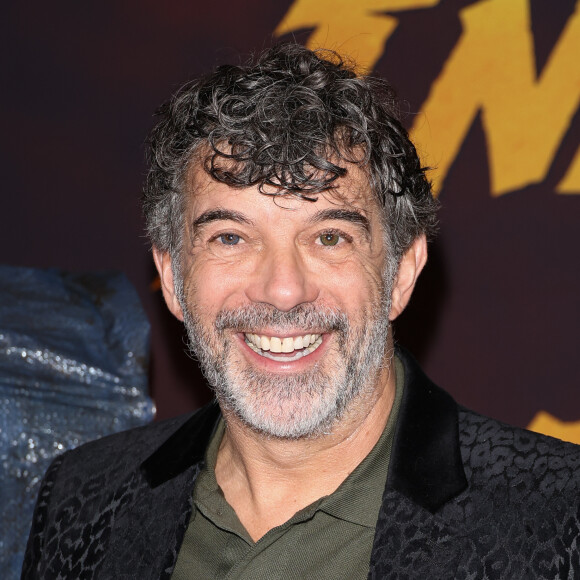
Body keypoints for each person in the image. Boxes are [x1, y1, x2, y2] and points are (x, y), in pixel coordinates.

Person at [22, 43, 580, 579]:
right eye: (231, 238)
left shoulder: (557, 516)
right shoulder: (84, 500)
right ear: (171, 278)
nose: (283, 290)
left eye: (330, 237)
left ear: (401, 273)